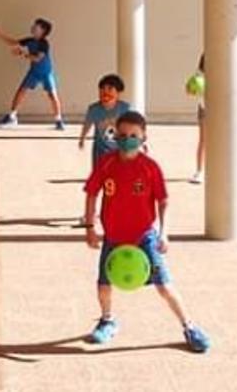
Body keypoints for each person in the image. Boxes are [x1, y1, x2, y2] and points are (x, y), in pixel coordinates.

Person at [83, 111, 211, 353]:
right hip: (113, 239)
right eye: (122, 135)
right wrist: (90, 227)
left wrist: (164, 232)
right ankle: (107, 320)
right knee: (103, 285)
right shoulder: (107, 163)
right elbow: (91, 193)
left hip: (144, 237)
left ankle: (190, 326)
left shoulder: (150, 168)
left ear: (143, 137)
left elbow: (163, 201)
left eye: (133, 135)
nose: (127, 139)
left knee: (164, 286)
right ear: (114, 136)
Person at [0, 18, 65, 129]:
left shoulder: (44, 44)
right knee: (21, 92)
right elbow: (14, 42)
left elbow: (38, 59)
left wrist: (22, 53)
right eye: (33, 26)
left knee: (52, 95)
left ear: (43, 31)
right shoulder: (29, 40)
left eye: (36, 26)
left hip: (46, 73)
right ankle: (12, 117)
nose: (33, 27)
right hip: (33, 72)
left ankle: (59, 121)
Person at [78, 74, 132, 169]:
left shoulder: (125, 108)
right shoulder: (94, 109)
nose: (105, 92)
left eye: (110, 89)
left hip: (119, 150)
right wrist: (82, 138)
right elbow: (87, 124)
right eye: (102, 89)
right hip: (100, 150)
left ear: (118, 93)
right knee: (100, 174)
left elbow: (133, 126)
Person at [190, 54, 206, 184]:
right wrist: (193, 89)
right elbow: (189, 90)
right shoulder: (199, 75)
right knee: (203, 141)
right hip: (204, 109)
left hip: (219, 110)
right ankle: (199, 171)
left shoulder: (222, 71)